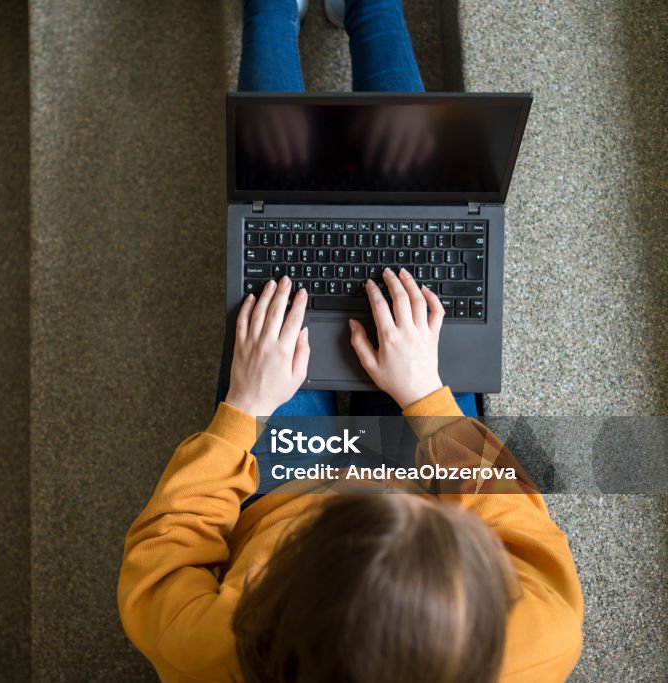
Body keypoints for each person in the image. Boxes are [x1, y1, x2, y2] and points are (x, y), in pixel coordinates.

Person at [117, 1, 584, 681]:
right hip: (403, 450)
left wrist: (242, 411)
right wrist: (427, 395)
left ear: (271, 603)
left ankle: (274, 10)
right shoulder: (540, 636)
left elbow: (165, 552)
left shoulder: (210, 648)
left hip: (279, 487)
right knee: (412, 215)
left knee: (277, 222)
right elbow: (519, 528)